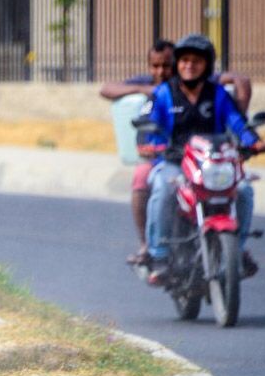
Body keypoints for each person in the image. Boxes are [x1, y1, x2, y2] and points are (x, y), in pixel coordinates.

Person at [99, 41, 252, 265]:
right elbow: (107, 89)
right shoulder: (158, 91)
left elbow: (238, 88)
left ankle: (237, 248)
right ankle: (149, 245)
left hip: (206, 158)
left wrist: (245, 131)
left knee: (242, 188)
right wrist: (143, 90)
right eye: (155, 66)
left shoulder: (202, 84)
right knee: (147, 178)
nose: (161, 72)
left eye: (167, 66)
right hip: (165, 157)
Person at [140, 33, 265, 286]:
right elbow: (148, 124)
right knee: (162, 190)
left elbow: (237, 122)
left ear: (207, 65)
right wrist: (149, 143)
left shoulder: (218, 94)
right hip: (175, 163)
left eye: (197, 61)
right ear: (177, 63)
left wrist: (253, 142)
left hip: (214, 164)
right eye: (184, 60)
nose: (189, 65)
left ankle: (238, 250)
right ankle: (158, 255)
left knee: (243, 190)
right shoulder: (163, 94)